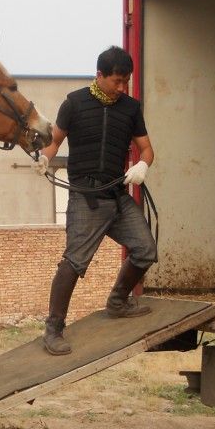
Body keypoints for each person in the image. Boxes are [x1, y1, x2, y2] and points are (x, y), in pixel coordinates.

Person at [34, 46, 157, 355]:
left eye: (125, 81)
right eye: (116, 81)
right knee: (74, 262)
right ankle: (53, 329)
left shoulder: (130, 108)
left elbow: (146, 150)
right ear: (99, 75)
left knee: (145, 250)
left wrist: (142, 165)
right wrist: (44, 159)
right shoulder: (74, 103)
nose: (121, 88)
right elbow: (55, 140)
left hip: (117, 195)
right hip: (85, 198)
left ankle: (117, 302)